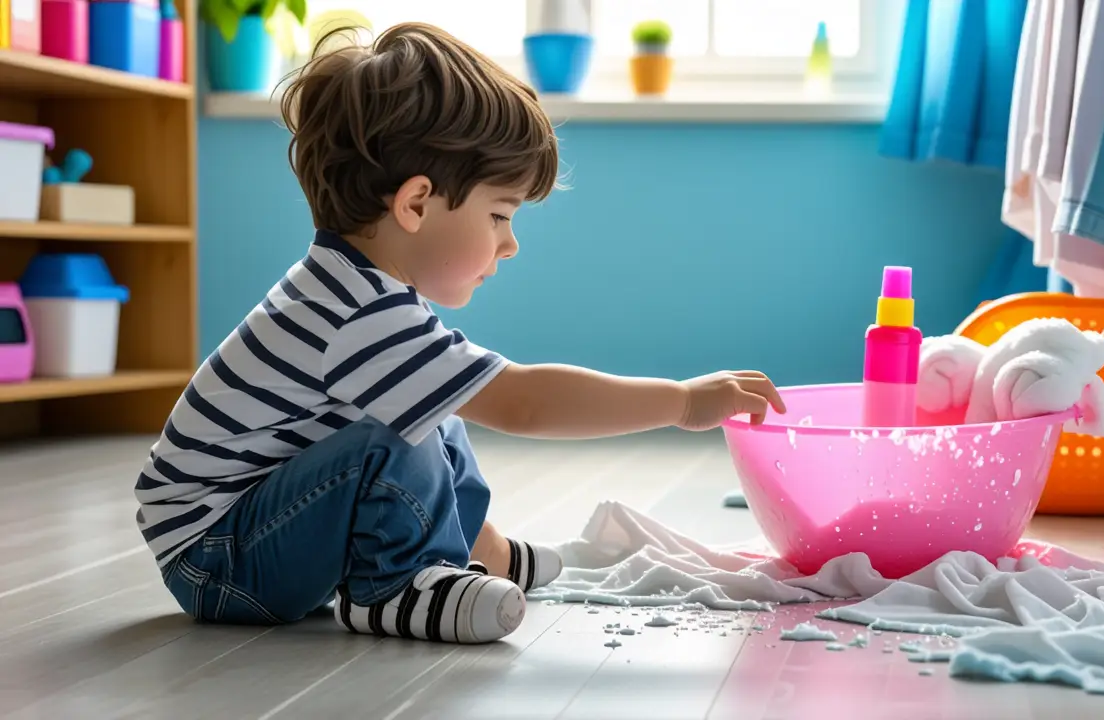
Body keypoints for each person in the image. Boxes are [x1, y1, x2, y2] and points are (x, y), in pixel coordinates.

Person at [136, 22, 784, 645]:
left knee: (434, 408)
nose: (509, 245)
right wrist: (682, 402)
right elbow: (524, 403)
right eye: (499, 215)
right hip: (216, 562)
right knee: (389, 438)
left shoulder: (355, 289)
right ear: (415, 204)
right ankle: (393, 589)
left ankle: (486, 552)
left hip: (237, 535)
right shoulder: (357, 314)